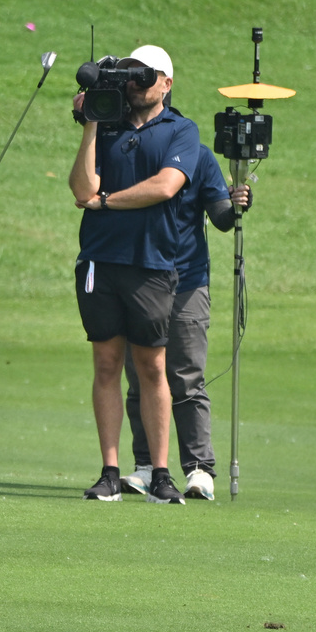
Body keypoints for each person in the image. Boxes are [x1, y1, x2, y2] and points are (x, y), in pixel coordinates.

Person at [68, 45, 200, 505]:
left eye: (147, 76)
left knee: (152, 366)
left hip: (153, 263)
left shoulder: (181, 130)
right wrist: (91, 122)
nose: (136, 83)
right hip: (100, 262)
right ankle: (110, 470)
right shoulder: (106, 127)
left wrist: (106, 201)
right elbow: (82, 189)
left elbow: (165, 186)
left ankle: (161, 473)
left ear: (167, 82)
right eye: (129, 76)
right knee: (106, 364)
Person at [120, 143, 252, 502]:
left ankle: (199, 469)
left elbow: (221, 218)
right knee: (140, 375)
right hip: (137, 278)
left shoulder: (196, 153)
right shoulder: (126, 148)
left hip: (187, 280)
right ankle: (146, 466)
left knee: (186, 376)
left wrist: (236, 202)